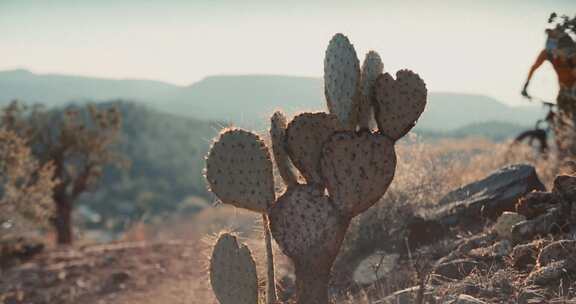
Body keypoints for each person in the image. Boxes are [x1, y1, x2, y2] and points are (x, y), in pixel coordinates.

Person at [522, 27, 576, 159]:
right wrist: (526, 86)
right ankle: (563, 157)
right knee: (559, 124)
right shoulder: (547, 54)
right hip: (563, 90)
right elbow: (534, 67)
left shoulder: (572, 54)